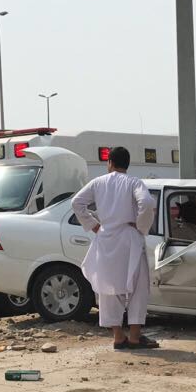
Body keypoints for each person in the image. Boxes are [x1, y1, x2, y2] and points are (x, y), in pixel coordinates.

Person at [71, 146, 159, 350]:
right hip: (129, 237)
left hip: (106, 237)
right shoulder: (134, 182)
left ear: (109, 162)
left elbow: (77, 203)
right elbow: (146, 202)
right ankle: (135, 336)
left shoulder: (98, 182)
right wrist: (141, 226)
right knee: (138, 287)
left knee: (109, 287)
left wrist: (93, 225)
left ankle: (118, 336)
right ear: (127, 164)